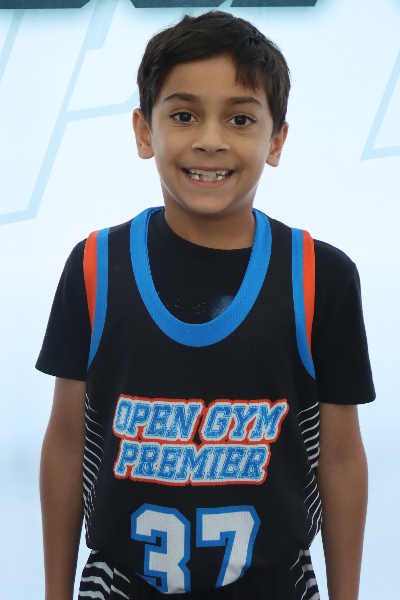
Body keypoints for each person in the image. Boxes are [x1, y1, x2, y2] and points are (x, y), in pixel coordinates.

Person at [37, 10, 375, 600]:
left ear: (276, 140)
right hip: (119, 585)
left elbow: (342, 458)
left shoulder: (322, 277)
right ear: (144, 132)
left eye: (240, 118)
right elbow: (67, 445)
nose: (211, 139)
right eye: (184, 115)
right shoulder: (95, 267)